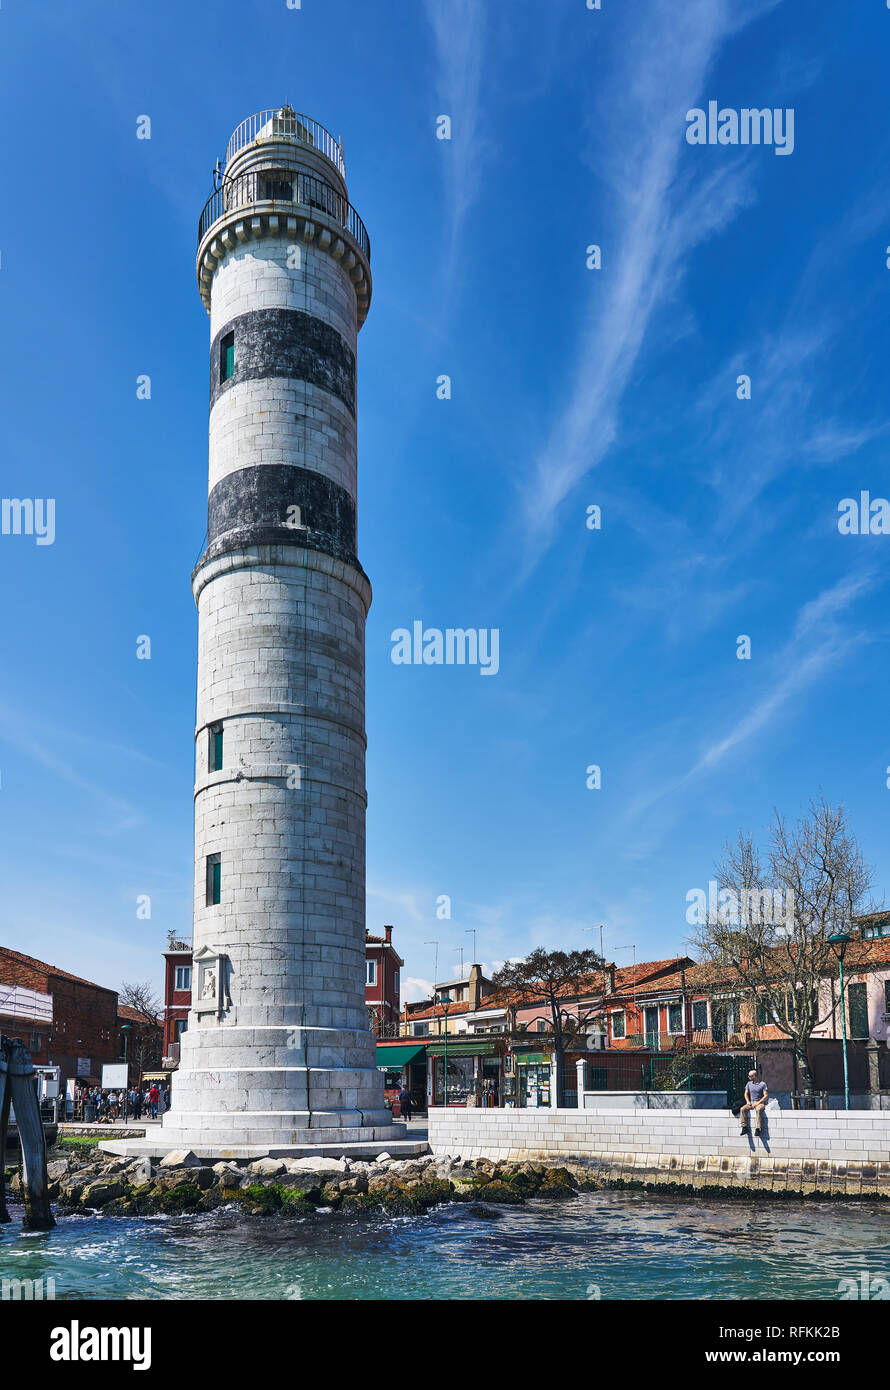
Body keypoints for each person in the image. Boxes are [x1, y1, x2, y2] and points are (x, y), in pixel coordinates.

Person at [740, 1070, 769, 1137]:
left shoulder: (762, 1084)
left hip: (760, 1103)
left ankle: (758, 1128)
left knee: (758, 1110)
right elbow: (746, 1094)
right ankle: (744, 1127)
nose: (748, 1077)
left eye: (749, 1076)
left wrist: (758, 1103)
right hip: (751, 1103)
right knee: (742, 1109)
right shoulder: (749, 1084)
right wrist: (748, 1101)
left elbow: (766, 1096)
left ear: (754, 1076)